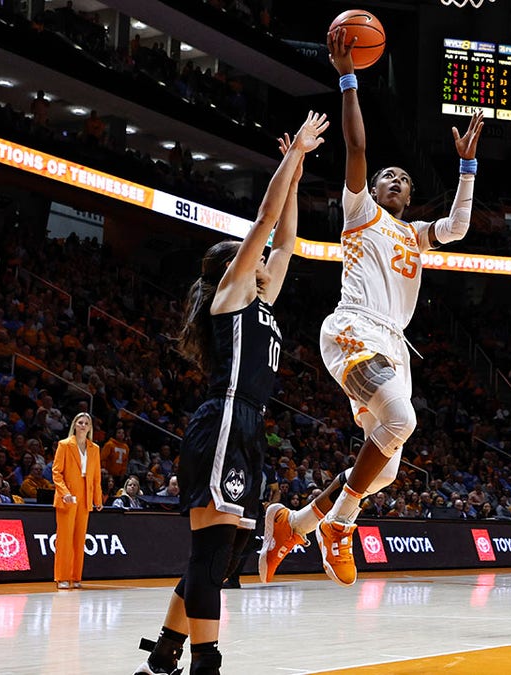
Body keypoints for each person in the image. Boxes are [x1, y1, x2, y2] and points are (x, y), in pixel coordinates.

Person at [257, 26, 486, 587]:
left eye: (403, 180)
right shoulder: (360, 213)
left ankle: (295, 524)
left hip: (393, 346)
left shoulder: (415, 234)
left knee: (382, 469)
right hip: (354, 328)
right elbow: (357, 148)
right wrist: (348, 78)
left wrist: (466, 168)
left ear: (409, 197)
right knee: (403, 421)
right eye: (388, 175)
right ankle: (339, 526)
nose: (393, 180)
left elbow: (457, 227)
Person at [133, 111, 327, 675]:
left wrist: (299, 171)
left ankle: (166, 650)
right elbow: (266, 222)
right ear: (234, 271)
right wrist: (289, 160)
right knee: (212, 554)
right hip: (222, 422)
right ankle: (205, 662)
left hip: (248, 427)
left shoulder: (263, 300)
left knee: (224, 555)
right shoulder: (234, 295)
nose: (269, 260)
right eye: (258, 257)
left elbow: (287, 238)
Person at [51, 412, 102, 590]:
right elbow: (56, 472)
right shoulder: (64, 445)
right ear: (74, 425)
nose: (82, 425)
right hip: (68, 494)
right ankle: (62, 577)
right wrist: (64, 492)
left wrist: (97, 498)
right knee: (64, 538)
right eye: (79, 422)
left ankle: (76, 576)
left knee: (79, 539)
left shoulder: (94, 448)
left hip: (85, 494)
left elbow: (96, 476)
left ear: (90, 427)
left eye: (86, 423)